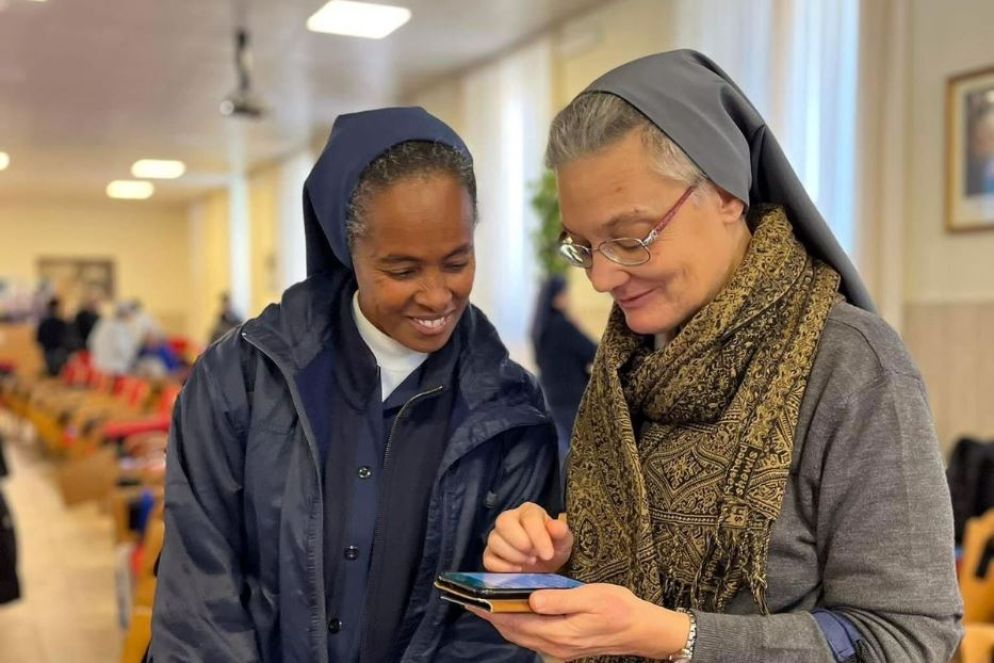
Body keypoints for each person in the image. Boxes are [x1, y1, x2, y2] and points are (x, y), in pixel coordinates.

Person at [477, 50, 961, 663]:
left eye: (630, 239)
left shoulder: (852, 368)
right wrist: (555, 561)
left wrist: (676, 638)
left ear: (727, 193)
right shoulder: (626, 365)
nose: (601, 277)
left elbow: (910, 639)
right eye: (583, 246)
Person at [149, 107, 559, 662]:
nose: (438, 297)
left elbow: (492, 628)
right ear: (348, 250)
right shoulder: (241, 379)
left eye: (457, 261)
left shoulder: (510, 412)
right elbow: (199, 594)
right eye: (404, 270)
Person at [530, 275, 596, 464]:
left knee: (565, 448)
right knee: (581, 452)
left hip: (552, 396)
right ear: (556, 298)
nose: (568, 299)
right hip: (573, 396)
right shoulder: (563, 326)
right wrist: (578, 327)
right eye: (565, 294)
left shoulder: (540, 329)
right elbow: (593, 352)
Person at [88, 302, 138, 375]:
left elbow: (90, 342)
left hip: (98, 365)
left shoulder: (102, 323)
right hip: (115, 368)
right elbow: (122, 349)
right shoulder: (120, 327)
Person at [35, 296, 69, 376]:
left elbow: (39, 337)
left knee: (55, 370)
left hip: (56, 349)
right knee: (53, 370)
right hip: (52, 348)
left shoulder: (60, 323)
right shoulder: (56, 323)